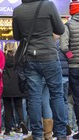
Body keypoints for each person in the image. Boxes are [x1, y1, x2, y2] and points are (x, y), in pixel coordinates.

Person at [12, 0, 67, 140]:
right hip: (49, 56)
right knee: (56, 95)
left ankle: (37, 135)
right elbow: (60, 29)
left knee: (34, 97)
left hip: (30, 58)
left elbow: (17, 37)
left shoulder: (17, 11)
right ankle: (60, 134)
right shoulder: (48, 5)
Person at [60, 0, 79, 138]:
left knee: (77, 100)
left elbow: (63, 47)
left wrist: (71, 58)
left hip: (74, 68)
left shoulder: (68, 26)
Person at [1, 42, 28, 135]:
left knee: (7, 108)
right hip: (17, 85)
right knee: (19, 107)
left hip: (6, 87)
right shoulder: (19, 58)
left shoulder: (2, 58)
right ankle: (21, 122)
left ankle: (8, 129)